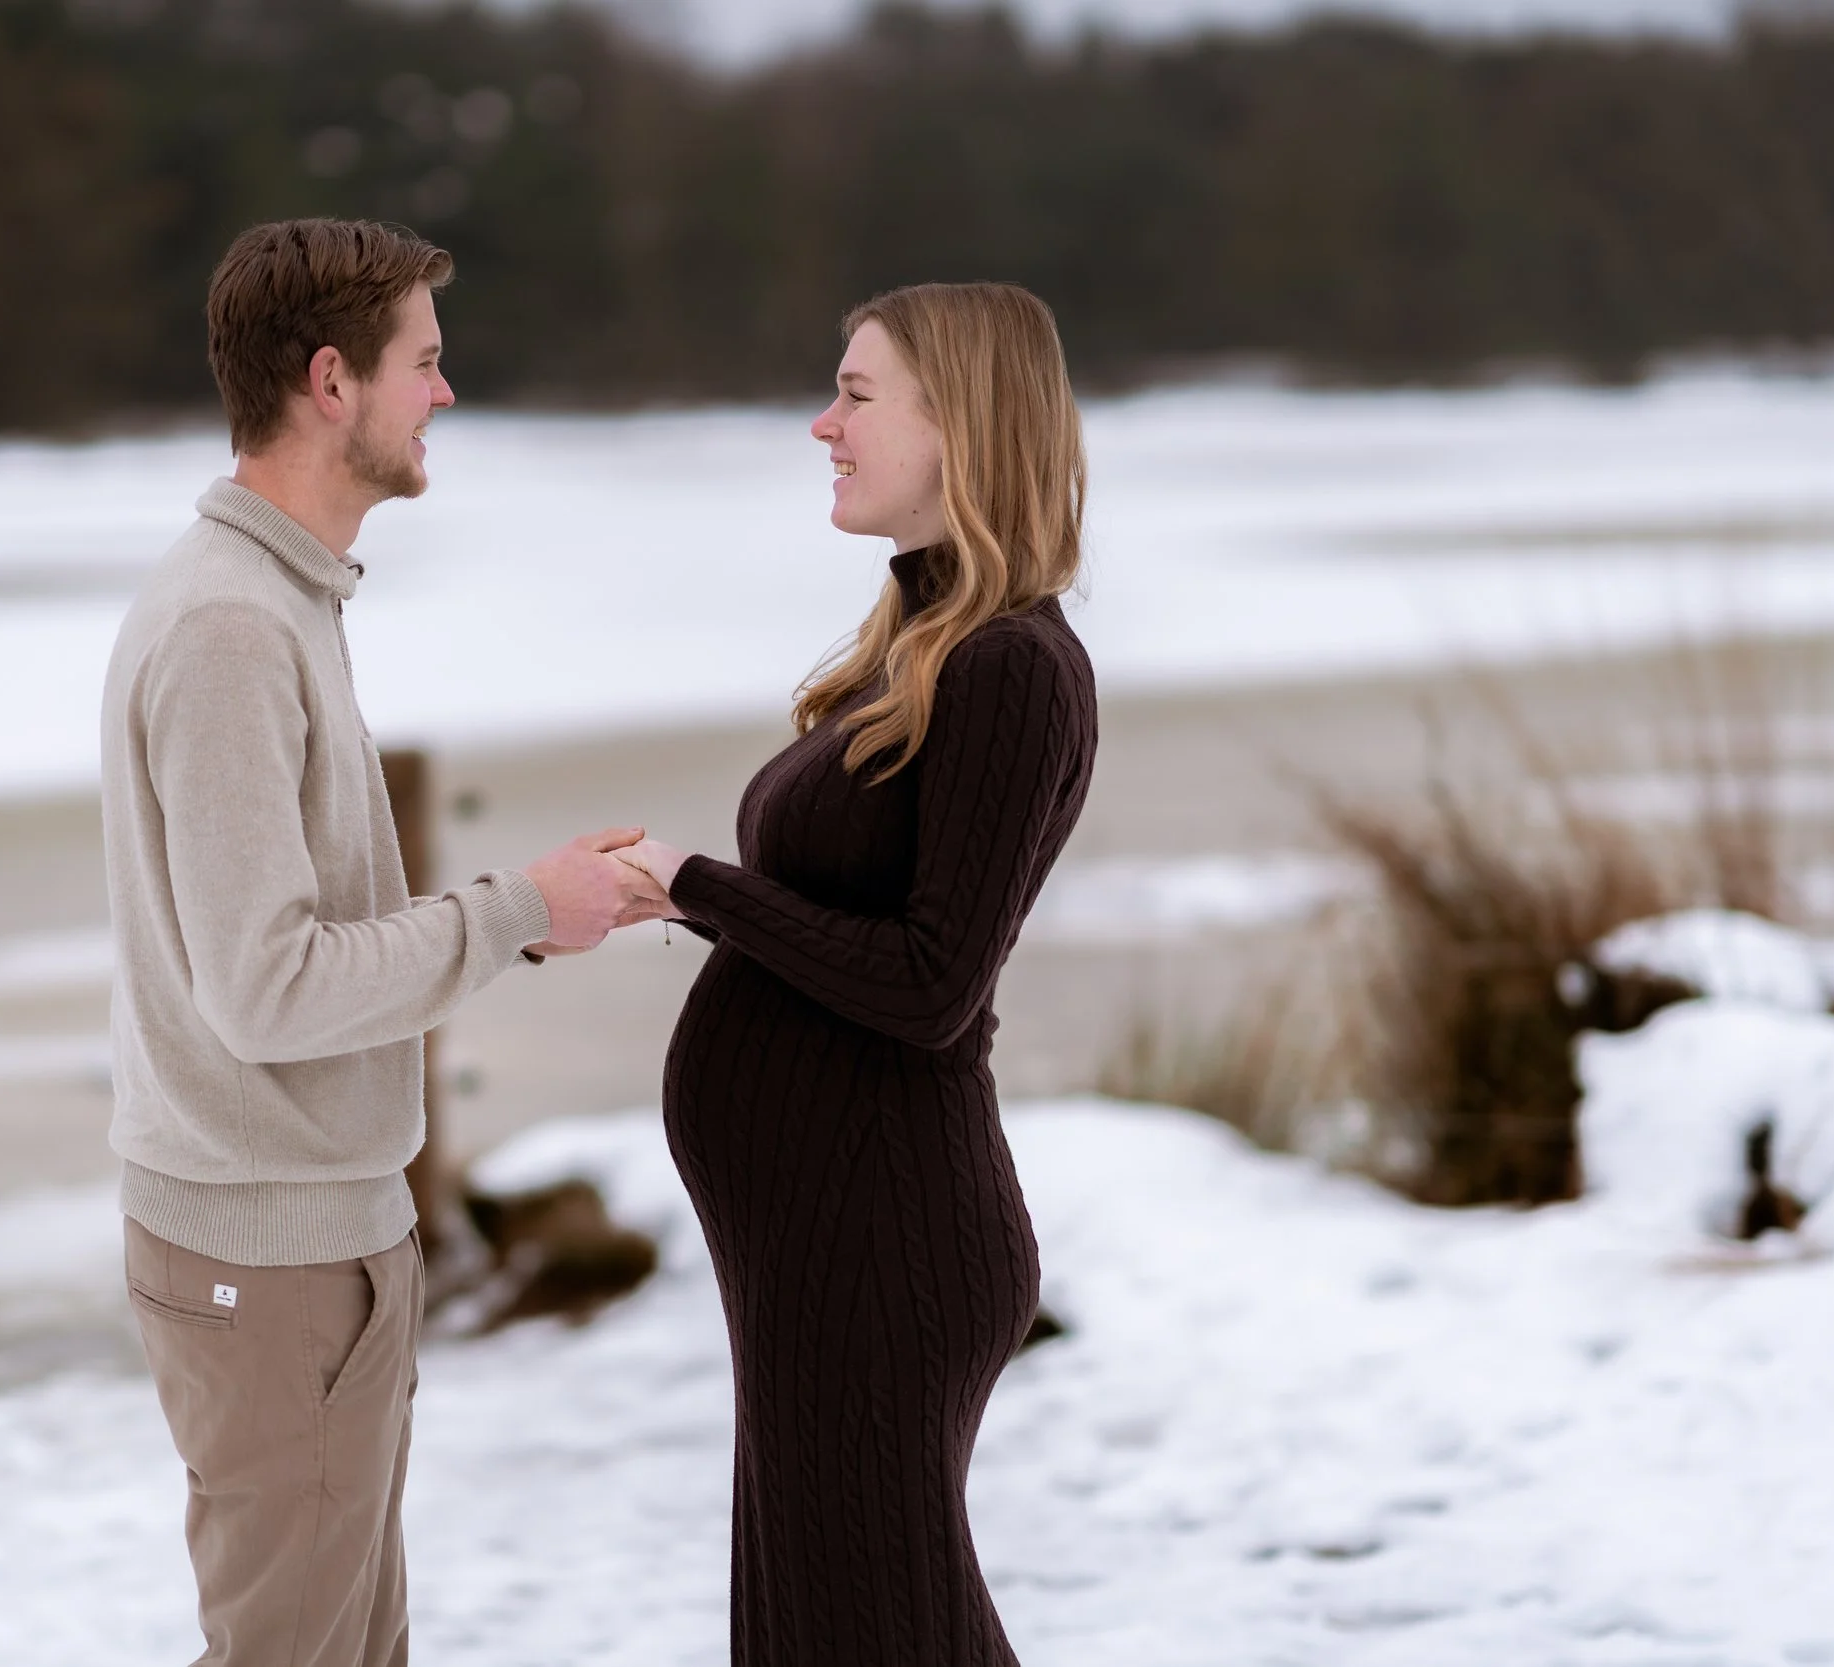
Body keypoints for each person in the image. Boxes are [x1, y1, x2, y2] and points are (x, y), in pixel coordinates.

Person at [98, 217, 656, 1667]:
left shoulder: (283, 599)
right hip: (263, 1258)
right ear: (332, 382)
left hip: (316, 1235)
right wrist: (522, 909)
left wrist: (532, 913)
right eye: (426, 362)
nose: (445, 394)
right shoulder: (230, 629)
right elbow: (269, 987)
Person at [615, 282, 1099, 1666]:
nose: (823, 423)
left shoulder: (1012, 669)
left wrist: (703, 883)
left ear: (961, 421)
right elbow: (849, 929)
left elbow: (930, 985)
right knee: (820, 1627)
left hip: (882, 1236)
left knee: (876, 1630)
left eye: (858, 393)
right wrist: (677, 895)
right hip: (818, 1240)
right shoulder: (921, 648)